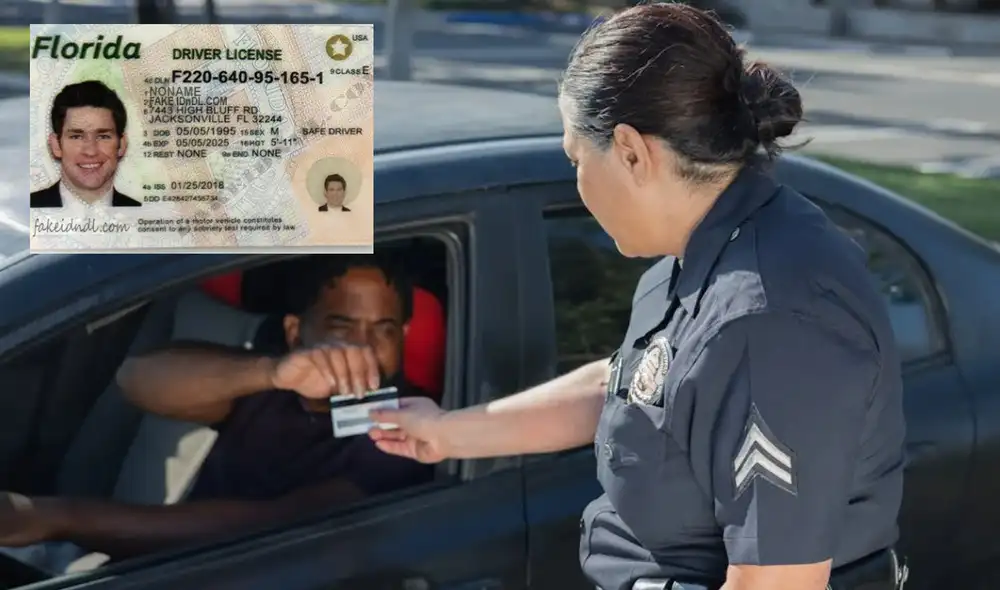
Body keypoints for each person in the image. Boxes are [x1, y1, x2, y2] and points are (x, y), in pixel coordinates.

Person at [366, 5, 907, 590]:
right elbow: (637, 387)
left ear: (629, 151)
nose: (576, 178)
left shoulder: (768, 320)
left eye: (576, 158)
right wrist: (448, 431)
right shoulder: (705, 250)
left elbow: (774, 583)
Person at [0, 255, 433, 561]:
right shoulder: (274, 378)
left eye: (384, 330)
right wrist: (273, 372)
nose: (361, 346)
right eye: (341, 326)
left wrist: (58, 516)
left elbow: (273, 527)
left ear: (404, 336)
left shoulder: (406, 423)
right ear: (295, 332)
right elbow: (136, 379)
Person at [30, 80, 142, 210]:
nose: (90, 151)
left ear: (121, 145)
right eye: (76, 137)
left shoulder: (145, 215)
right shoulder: (24, 211)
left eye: (103, 136)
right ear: (56, 145)